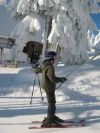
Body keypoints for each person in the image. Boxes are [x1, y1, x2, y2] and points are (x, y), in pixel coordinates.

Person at [34, 51, 67, 127]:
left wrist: (35, 69)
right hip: (49, 86)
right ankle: (49, 120)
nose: (55, 59)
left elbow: (38, 70)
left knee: (52, 102)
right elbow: (52, 78)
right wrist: (61, 79)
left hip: (46, 86)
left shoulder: (45, 64)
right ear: (51, 58)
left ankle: (52, 117)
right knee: (51, 103)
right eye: (55, 57)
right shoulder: (50, 66)